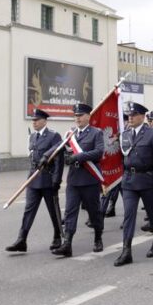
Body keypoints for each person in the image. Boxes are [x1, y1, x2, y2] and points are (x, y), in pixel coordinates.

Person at [114, 102, 153, 266]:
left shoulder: (152, 134)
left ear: (142, 116)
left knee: (152, 213)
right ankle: (126, 251)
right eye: (129, 115)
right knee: (129, 215)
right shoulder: (124, 135)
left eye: (133, 115)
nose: (130, 117)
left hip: (147, 180)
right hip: (129, 180)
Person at [6, 108, 64, 253]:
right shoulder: (32, 137)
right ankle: (21, 239)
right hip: (33, 180)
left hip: (48, 180)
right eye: (33, 120)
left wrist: (57, 180)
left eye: (37, 120)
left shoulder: (53, 136)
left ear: (44, 121)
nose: (34, 122)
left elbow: (59, 159)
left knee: (53, 210)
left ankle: (58, 236)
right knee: (28, 210)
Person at [52, 103, 104, 258]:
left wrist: (79, 156)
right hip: (74, 180)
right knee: (70, 212)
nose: (78, 118)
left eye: (80, 115)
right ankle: (67, 243)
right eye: (75, 116)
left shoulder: (96, 133)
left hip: (90, 180)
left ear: (88, 116)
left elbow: (99, 152)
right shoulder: (71, 134)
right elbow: (59, 149)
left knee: (94, 212)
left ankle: (98, 238)